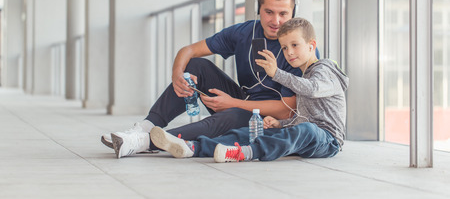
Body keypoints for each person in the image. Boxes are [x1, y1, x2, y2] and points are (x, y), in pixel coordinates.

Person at [103, 0, 307, 158]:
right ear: (258, 9)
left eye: (283, 14)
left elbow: (287, 108)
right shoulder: (244, 32)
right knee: (196, 66)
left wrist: (231, 103)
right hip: (243, 101)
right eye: (269, 12)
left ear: (293, 13)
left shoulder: (297, 46)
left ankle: (144, 142)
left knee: (231, 116)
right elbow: (189, 50)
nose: (276, 21)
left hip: (271, 121)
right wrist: (177, 76)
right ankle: (145, 127)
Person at [149, 17, 349, 162]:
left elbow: (312, 90)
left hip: (328, 140)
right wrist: (280, 124)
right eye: (285, 48)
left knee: (307, 130)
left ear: (311, 45)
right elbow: (303, 118)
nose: (289, 52)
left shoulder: (325, 69)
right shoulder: (303, 75)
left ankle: (246, 153)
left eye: (295, 45)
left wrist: (276, 73)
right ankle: (193, 147)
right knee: (254, 130)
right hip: (302, 135)